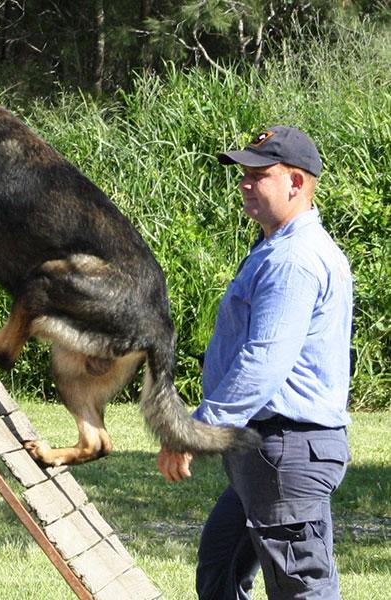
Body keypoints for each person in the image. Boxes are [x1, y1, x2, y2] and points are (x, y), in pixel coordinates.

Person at [157, 125, 353, 599]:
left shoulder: (293, 260)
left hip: (287, 449)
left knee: (300, 588)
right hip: (267, 450)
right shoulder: (278, 250)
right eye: (243, 174)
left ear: (297, 183)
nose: (245, 183)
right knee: (221, 566)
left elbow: (263, 361)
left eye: (259, 174)